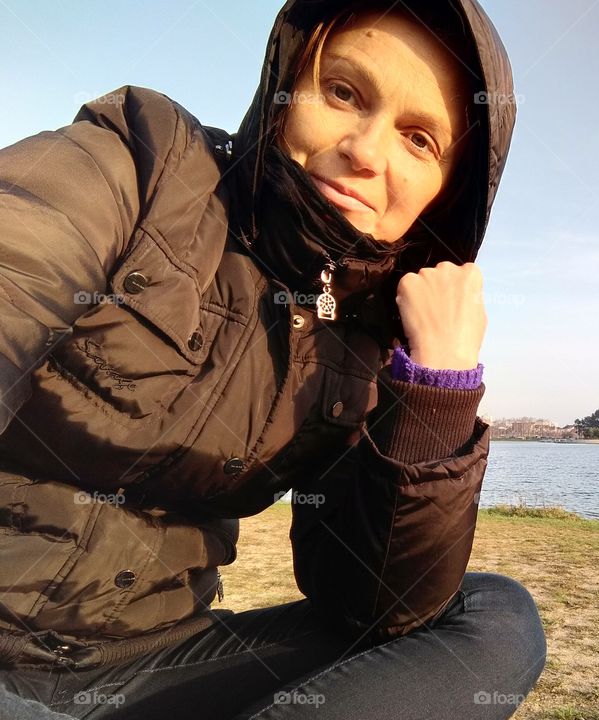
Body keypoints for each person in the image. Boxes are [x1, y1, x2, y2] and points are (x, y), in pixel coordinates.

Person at [0, 0, 546, 717]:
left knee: (491, 615)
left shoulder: (370, 336)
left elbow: (371, 604)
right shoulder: (142, 159)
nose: (367, 150)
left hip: (154, 663)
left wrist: (436, 390)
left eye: (419, 140)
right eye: (345, 93)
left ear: (448, 196)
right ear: (287, 84)